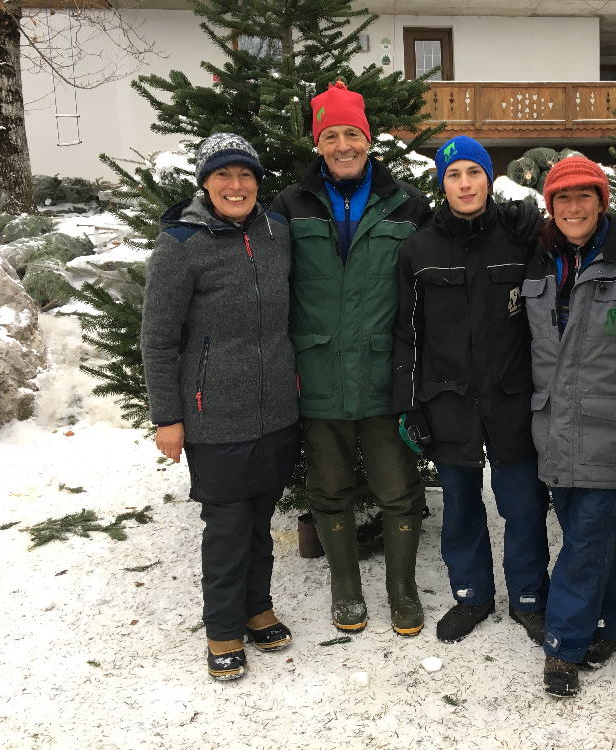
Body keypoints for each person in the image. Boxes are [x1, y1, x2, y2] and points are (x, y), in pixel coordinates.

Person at [271, 82, 430, 638]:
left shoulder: (407, 203)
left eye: (353, 134)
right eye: (331, 135)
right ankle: (345, 588)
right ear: (319, 143)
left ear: (369, 139)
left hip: (384, 376)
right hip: (318, 377)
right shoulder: (289, 207)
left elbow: (432, 278)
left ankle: (402, 589)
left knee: (398, 489)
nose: (343, 145)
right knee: (330, 487)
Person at [142, 133, 300, 681]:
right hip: (215, 415)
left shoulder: (277, 232)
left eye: (245, 175)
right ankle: (223, 629)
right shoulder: (181, 244)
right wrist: (168, 416)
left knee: (260, 519)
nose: (236, 186)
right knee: (228, 526)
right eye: (223, 175)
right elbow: (158, 338)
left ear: (258, 181)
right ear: (205, 182)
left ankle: (258, 608)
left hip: (278, 409)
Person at [392, 135, 551, 645]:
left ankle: (529, 597)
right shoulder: (420, 248)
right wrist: (408, 402)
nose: (465, 184)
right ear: (443, 183)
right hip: (447, 400)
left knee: (523, 504)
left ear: (488, 178)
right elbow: (405, 333)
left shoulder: (519, 236)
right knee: (460, 504)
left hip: (511, 397)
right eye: (454, 175)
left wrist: (535, 223)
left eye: (474, 173)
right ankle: (472, 595)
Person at [521, 156, 616, 697]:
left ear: (602, 202)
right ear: (549, 206)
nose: (574, 207)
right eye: (563, 198)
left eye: (585, 196)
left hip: (611, 428)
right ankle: (614, 628)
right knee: (586, 539)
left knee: (583, 543)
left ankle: (564, 647)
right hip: (552, 426)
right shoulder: (536, 261)